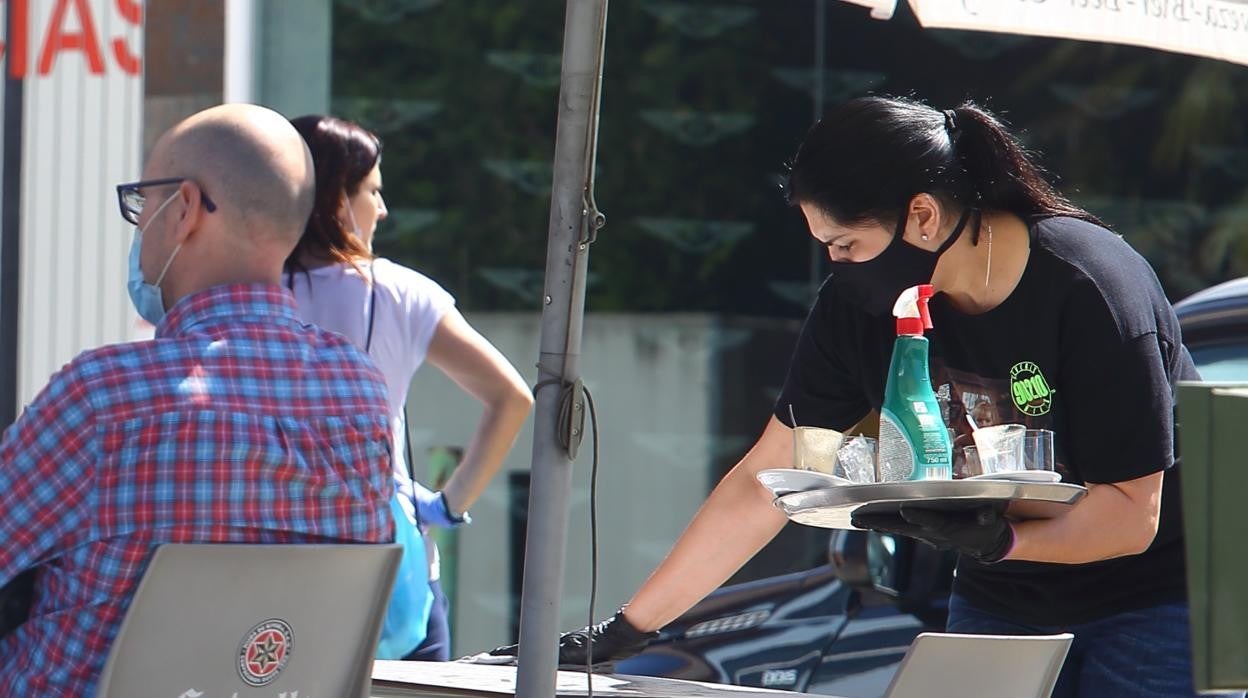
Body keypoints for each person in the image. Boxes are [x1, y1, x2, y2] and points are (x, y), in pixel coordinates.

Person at [491, 95, 1213, 697]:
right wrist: (626, 631)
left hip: (1154, 600)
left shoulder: (1092, 288)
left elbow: (1131, 516)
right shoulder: (858, 308)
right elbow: (767, 481)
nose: (835, 268)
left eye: (845, 245)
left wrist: (1004, 536)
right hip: (1002, 596)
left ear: (923, 217)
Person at [0, 104, 396, 696]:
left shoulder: (105, 401)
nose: (138, 228)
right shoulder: (360, 398)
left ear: (183, 208)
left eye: (142, 202)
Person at [285, 115, 534, 661]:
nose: (383, 208)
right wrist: (448, 504)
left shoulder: (246, 292)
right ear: (335, 203)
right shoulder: (402, 293)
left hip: (276, 564)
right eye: (373, 191)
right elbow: (512, 398)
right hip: (392, 570)